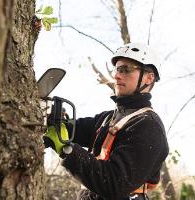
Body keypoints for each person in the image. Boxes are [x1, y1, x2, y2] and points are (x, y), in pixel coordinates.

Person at [44, 43, 169, 200]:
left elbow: (114, 183)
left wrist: (66, 149)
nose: (117, 75)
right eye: (117, 69)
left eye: (126, 69)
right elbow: (75, 129)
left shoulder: (148, 126)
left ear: (149, 77)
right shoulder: (108, 118)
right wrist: (53, 122)